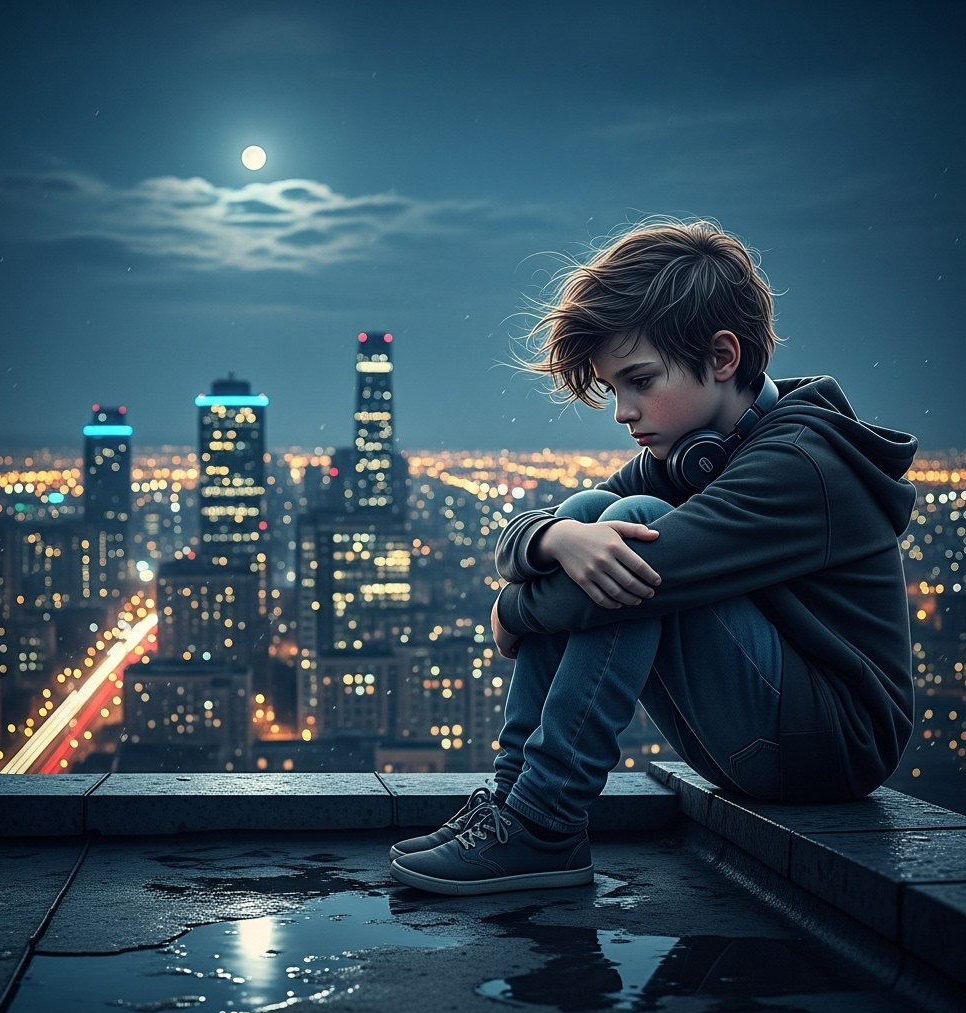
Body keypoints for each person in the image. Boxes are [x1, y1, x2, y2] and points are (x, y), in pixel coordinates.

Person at [390, 219, 917, 896]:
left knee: (632, 531)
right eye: (614, 389)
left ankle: (545, 825)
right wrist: (550, 540)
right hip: (761, 733)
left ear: (723, 357)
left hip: (828, 749)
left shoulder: (799, 466)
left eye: (639, 381)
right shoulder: (697, 449)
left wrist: (512, 610)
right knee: (587, 518)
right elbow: (531, 537)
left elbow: (613, 582)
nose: (622, 412)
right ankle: (513, 797)